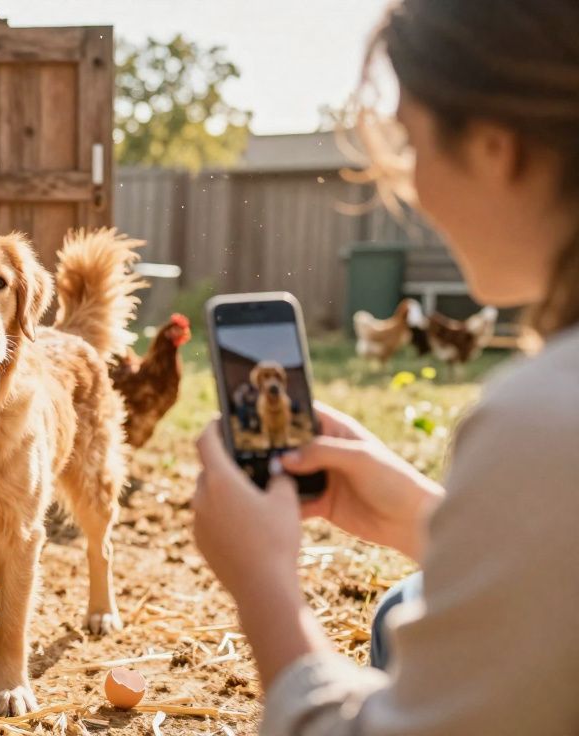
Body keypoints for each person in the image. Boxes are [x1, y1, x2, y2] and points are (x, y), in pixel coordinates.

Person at [192, 1, 579, 732]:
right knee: (406, 600)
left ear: (497, 145)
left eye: (410, 140)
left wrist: (263, 586)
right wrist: (427, 518)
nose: (408, 184)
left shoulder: (545, 416)